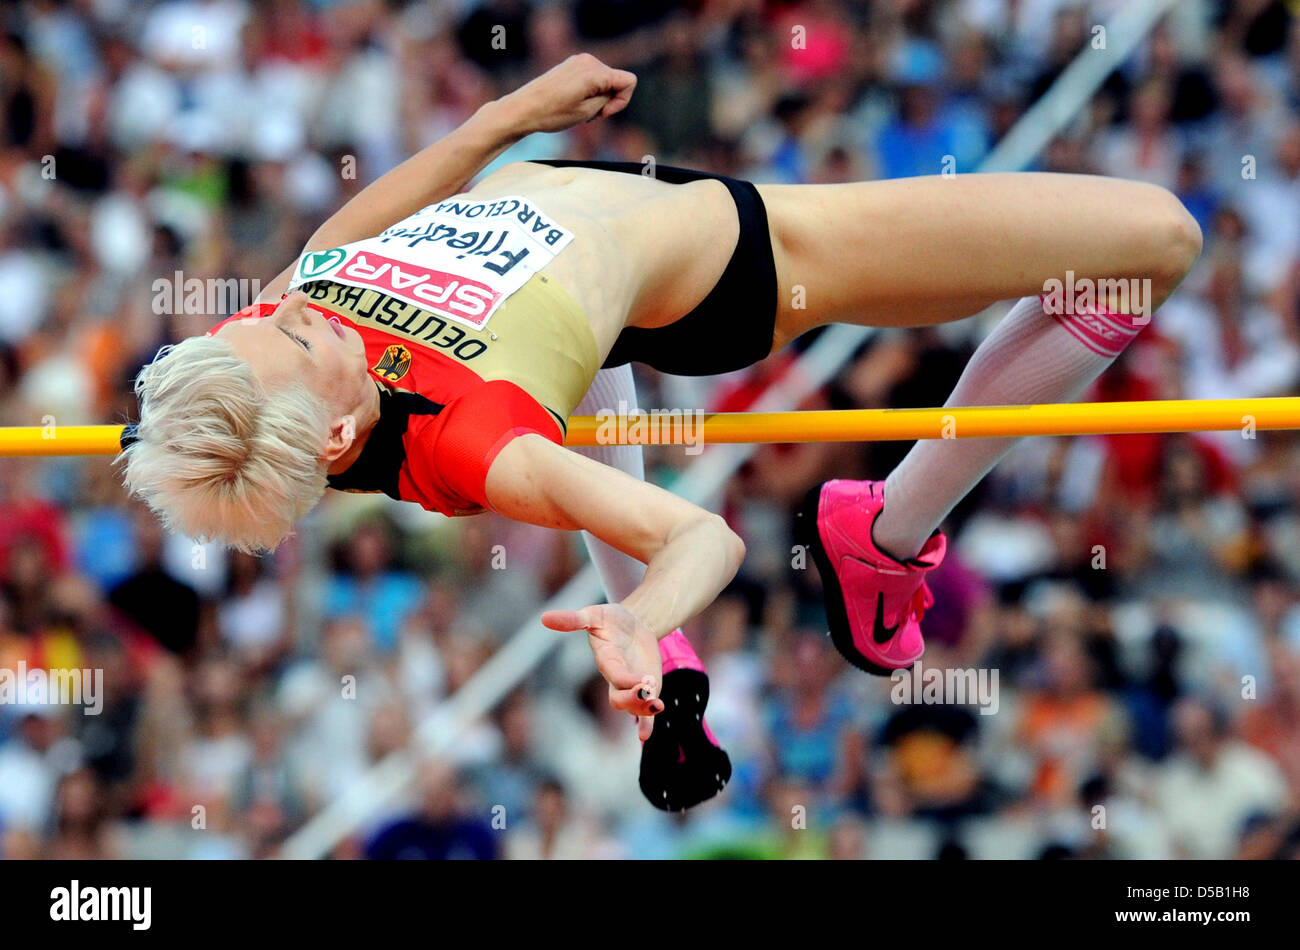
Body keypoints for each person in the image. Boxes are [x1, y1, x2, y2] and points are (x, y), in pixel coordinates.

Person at [121, 54, 1203, 779]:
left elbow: (347, 233)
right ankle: (882, 535)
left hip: (589, 207)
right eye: (306, 334)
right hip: (747, 254)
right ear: (333, 437)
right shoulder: (472, 435)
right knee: (1147, 242)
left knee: (579, 354)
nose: (301, 305)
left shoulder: (270, 337)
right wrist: (637, 619)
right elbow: (700, 531)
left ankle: (680, 657)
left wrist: (507, 118)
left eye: (271, 317)